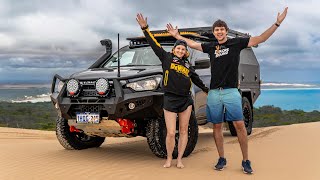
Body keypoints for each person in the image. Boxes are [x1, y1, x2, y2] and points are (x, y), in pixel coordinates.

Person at [167, 7, 288, 174]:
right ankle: (221, 158)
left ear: (226, 31)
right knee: (216, 126)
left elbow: (261, 38)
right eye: (217, 30)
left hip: (231, 91)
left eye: (222, 29)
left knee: (239, 125)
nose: (219, 32)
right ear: (214, 32)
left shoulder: (236, 43)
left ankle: (246, 160)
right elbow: (193, 44)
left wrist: (277, 23)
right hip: (214, 92)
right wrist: (177, 36)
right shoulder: (210, 47)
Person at [136, 13, 209, 169]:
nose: (181, 50)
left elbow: (196, 79)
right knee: (170, 133)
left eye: (183, 49)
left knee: (183, 131)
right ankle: (169, 158)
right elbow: (153, 44)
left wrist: (206, 90)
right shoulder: (166, 58)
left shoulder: (188, 66)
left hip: (186, 101)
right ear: (174, 49)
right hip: (170, 99)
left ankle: (180, 159)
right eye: (179, 48)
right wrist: (145, 28)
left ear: (186, 51)